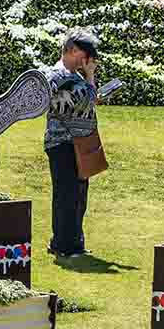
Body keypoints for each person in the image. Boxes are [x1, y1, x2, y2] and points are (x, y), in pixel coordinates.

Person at [43, 29, 101, 259]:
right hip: (62, 143)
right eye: (85, 54)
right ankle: (63, 245)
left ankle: (74, 242)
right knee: (66, 195)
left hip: (79, 142)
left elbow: (89, 99)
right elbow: (83, 100)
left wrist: (88, 82)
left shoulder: (74, 76)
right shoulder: (57, 76)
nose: (88, 60)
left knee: (78, 194)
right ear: (72, 50)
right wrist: (89, 78)